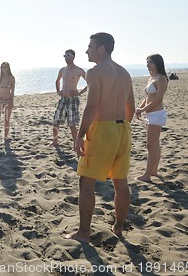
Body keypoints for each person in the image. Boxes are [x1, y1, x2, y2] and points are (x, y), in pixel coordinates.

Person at [63, 33, 135, 243]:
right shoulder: (124, 73)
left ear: (101, 49)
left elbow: (92, 105)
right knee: (120, 182)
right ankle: (118, 228)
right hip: (123, 129)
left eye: (90, 47)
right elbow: (130, 106)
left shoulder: (95, 72)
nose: (86, 51)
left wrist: (81, 135)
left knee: (86, 182)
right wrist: (121, 126)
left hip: (103, 129)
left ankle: (83, 233)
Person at [136, 54, 168, 182]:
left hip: (156, 115)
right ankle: (154, 171)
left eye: (151, 62)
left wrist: (143, 109)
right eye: (147, 62)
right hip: (150, 115)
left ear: (157, 63)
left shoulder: (161, 78)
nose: (148, 64)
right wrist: (140, 108)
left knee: (151, 145)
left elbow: (158, 98)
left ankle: (147, 175)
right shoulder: (151, 78)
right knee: (155, 145)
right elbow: (147, 97)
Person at [52, 49, 87, 146]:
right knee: (56, 121)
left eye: (68, 55)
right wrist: (58, 91)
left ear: (73, 56)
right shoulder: (62, 70)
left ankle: (76, 144)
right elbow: (57, 81)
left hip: (73, 100)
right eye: (65, 55)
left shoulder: (78, 70)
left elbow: (90, 83)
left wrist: (79, 93)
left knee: (72, 124)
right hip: (63, 99)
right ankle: (55, 142)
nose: (66, 57)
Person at [0, 62, 15, 141]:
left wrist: (11, 101)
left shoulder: (11, 78)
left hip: (8, 101)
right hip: (0, 100)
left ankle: (5, 135)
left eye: (5, 67)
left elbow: (12, 91)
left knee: (7, 120)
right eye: (2, 67)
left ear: (8, 68)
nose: (4, 68)